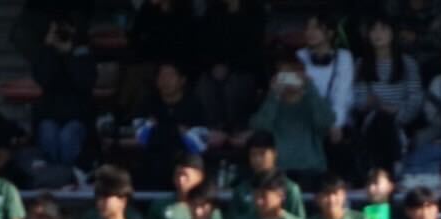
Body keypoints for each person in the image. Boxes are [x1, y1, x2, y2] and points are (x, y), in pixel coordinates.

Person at [250, 55, 338, 191]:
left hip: (311, 171)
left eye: (292, 74)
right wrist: (274, 95)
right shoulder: (272, 104)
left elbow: (326, 121)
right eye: (283, 75)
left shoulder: (311, 103)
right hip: (279, 172)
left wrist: (310, 88)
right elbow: (260, 127)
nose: (288, 80)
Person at [352, 16, 424, 176]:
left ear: (392, 34)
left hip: (399, 122)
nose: (378, 34)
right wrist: (367, 103)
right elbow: (357, 97)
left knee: (386, 122)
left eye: (383, 29)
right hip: (371, 120)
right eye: (373, 29)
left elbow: (416, 98)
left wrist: (397, 111)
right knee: (380, 121)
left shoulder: (407, 63)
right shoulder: (361, 64)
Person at [30, 16, 96, 171]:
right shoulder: (47, 54)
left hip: (77, 117)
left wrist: (69, 53)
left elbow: (84, 81)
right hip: (50, 114)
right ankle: (53, 177)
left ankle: (69, 176)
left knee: (68, 135)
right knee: (48, 131)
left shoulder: (83, 54)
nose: (62, 35)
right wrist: (48, 47)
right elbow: (42, 78)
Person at [135, 61, 213, 192]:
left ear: (182, 80)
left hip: (185, 165)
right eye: (162, 76)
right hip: (152, 166)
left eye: (170, 76)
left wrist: (159, 130)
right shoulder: (147, 104)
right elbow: (142, 138)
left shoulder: (194, 105)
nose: (165, 80)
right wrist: (180, 132)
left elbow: (199, 144)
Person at [194, 0, 266, 134]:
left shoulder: (255, 12)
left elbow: (254, 49)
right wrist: (213, 66)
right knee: (204, 85)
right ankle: (213, 130)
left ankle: (236, 130)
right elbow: (203, 44)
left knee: (232, 86)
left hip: (243, 69)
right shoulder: (213, 12)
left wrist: (228, 67)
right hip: (214, 68)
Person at [298, 13, 355, 172]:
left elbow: (342, 93)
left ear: (330, 33)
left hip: (334, 119)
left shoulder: (343, 57)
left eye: (316, 28)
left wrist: (335, 123)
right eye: (308, 27)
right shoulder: (299, 57)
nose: (310, 32)